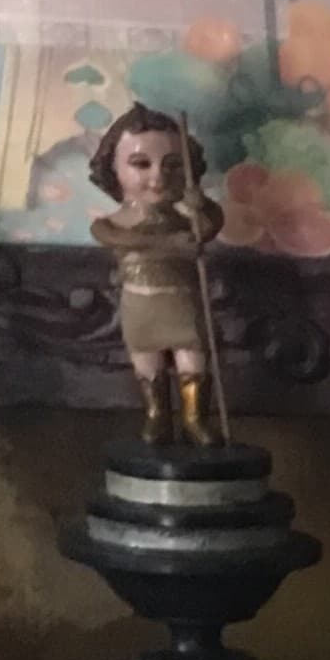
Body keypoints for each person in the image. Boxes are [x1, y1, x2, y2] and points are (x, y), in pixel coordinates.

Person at [87, 105, 224, 450]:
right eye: (141, 164)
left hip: (182, 302)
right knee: (147, 362)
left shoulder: (185, 220)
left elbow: (206, 229)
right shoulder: (111, 225)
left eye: (173, 165)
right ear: (113, 168)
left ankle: (194, 419)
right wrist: (171, 244)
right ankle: (156, 415)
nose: (158, 177)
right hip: (140, 305)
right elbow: (128, 241)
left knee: (192, 357)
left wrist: (203, 206)